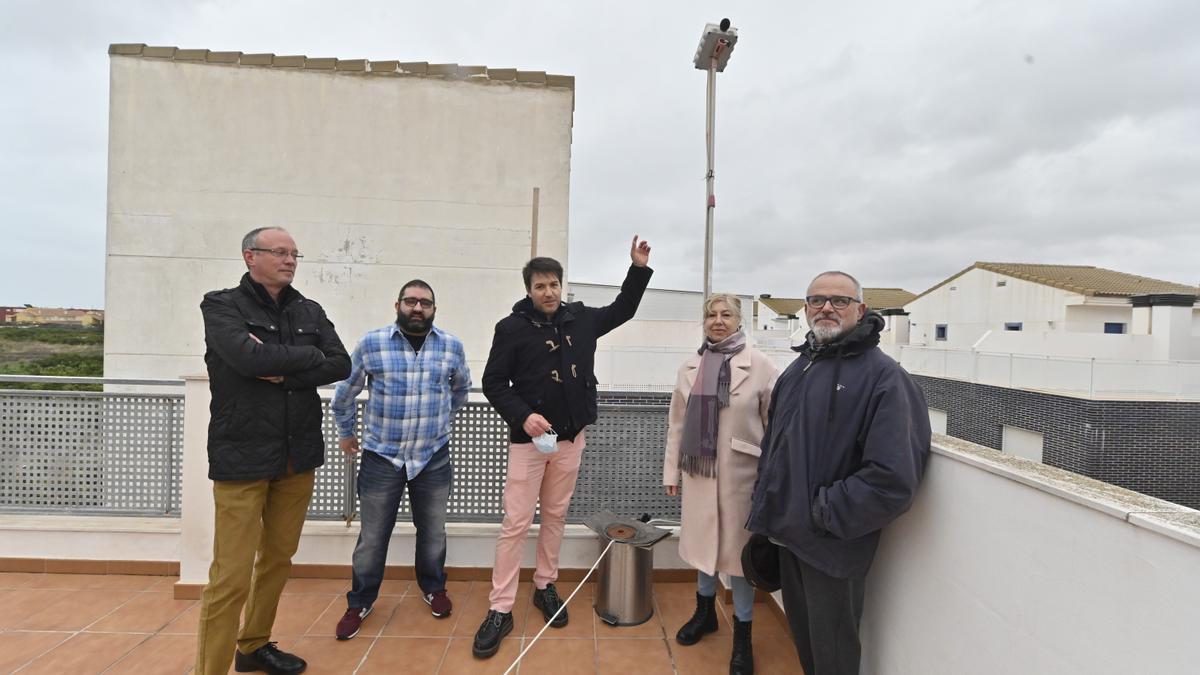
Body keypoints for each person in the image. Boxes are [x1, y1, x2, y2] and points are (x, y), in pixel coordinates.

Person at [472, 236, 653, 659]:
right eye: (540, 286)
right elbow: (494, 383)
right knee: (516, 522)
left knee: (555, 515)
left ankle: (545, 585)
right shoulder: (510, 329)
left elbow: (623, 309)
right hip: (528, 443)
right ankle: (500, 608)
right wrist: (522, 416)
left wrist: (638, 269)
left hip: (571, 439)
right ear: (528, 290)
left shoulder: (582, 319)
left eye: (554, 284)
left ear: (560, 285)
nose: (548, 292)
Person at [745, 271, 930, 675]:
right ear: (806, 309)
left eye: (839, 301)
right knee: (809, 650)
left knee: (834, 658)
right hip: (788, 537)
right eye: (816, 300)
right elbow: (774, 447)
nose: (826, 307)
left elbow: (893, 477)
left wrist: (822, 513)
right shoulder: (798, 370)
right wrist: (767, 512)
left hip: (832, 545)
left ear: (861, 310)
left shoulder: (885, 378)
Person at [195, 227, 350, 675]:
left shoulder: (309, 309)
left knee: (278, 560)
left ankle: (253, 645)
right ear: (250, 256)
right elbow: (246, 359)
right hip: (242, 456)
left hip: (296, 456)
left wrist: (281, 369)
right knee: (230, 575)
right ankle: (210, 669)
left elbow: (340, 363)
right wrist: (304, 358)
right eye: (280, 252)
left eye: (294, 253)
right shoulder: (222, 305)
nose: (290, 260)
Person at [329, 280, 471, 640]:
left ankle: (433, 587)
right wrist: (347, 433)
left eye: (425, 302)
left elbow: (461, 390)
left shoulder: (451, 346)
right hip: (382, 458)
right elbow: (345, 393)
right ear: (398, 305)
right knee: (373, 537)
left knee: (433, 532)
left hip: (432, 457)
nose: (417, 308)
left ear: (434, 309)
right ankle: (360, 600)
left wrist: (436, 422)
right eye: (411, 301)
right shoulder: (372, 343)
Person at [663, 293, 778, 675]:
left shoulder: (760, 366)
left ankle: (743, 636)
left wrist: (772, 477)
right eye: (711, 314)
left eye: (726, 314)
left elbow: (775, 426)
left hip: (743, 477)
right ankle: (704, 614)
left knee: (738, 558)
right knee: (704, 547)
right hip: (699, 473)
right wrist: (671, 473)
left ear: (739, 320)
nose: (717, 320)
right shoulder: (690, 366)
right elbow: (677, 424)